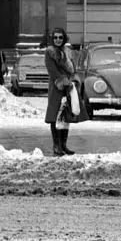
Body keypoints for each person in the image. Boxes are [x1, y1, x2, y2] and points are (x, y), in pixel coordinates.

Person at [44, 27, 89, 157]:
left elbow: (73, 70)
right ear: (52, 39)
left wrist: (73, 81)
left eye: (60, 37)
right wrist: (63, 82)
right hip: (56, 88)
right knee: (56, 116)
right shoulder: (50, 52)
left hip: (69, 88)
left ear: (64, 39)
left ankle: (63, 145)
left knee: (66, 115)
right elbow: (52, 70)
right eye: (55, 37)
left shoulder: (67, 52)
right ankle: (56, 145)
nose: (58, 40)